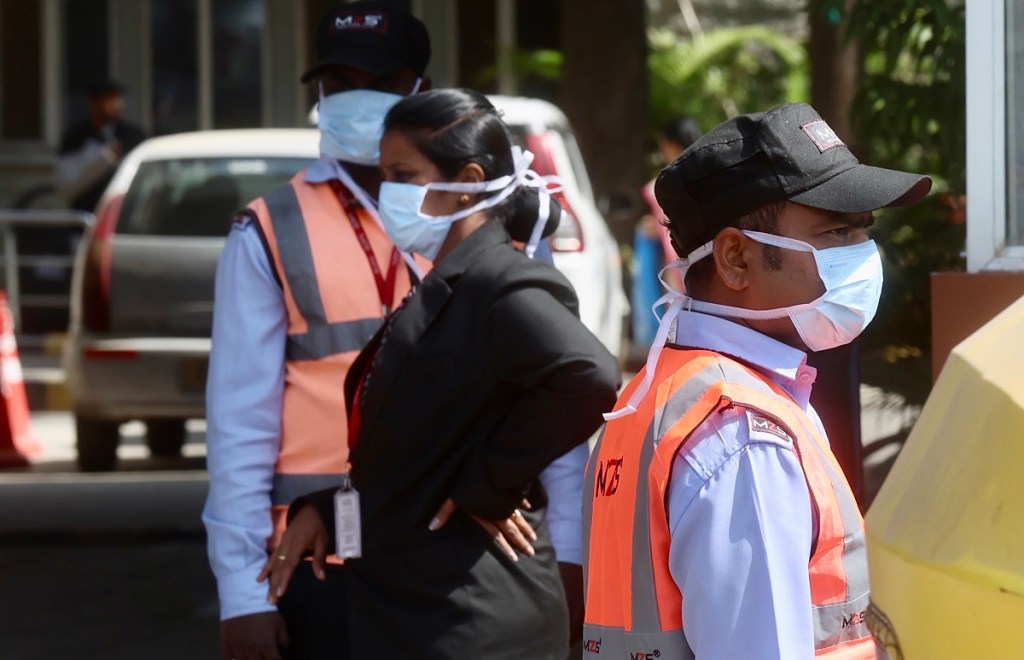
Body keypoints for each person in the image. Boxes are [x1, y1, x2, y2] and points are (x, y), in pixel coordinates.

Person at [260, 88, 621, 659]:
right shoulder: (444, 285)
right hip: (413, 609)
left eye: (402, 174)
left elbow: (590, 375)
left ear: (468, 180)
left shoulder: (499, 281)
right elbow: (421, 449)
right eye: (384, 175)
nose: (387, 193)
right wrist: (328, 509)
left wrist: (489, 483)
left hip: (470, 618)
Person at [582, 102, 932, 659]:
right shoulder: (744, 436)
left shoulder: (664, 391)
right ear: (736, 259)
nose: (864, 257)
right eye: (836, 231)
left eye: (863, 233)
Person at [202, 3, 432, 659]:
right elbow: (238, 421)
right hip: (316, 560)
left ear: (420, 89)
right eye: (338, 83)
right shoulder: (270, 227)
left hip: (453, 549)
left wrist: (571, 544)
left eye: (377, 83)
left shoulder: (474, 209)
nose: (353, 100)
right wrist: (242, 593)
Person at [633, 116, 703, 347]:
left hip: (676, 265)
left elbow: (664, 227)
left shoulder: (668, 181)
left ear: (671, 144)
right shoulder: (707, 173)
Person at [56, 79, 145, 212]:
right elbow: (67, 183)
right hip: (85, 212)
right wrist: (106, 157)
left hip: (123, 212)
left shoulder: (133, 135)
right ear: (93, 103)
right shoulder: (76, 137)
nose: (115, 104)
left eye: (117, 99)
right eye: (108, 98)